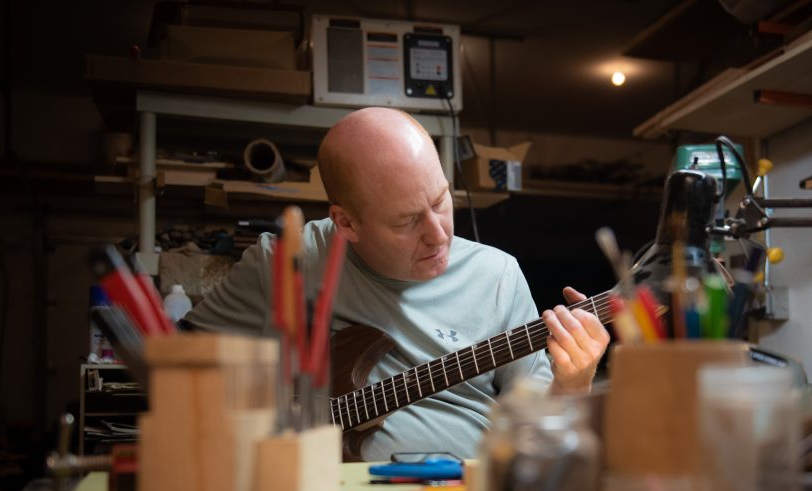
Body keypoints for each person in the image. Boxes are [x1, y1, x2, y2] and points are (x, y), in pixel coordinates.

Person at [184, 107, 609, 461]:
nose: (439, 234)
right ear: (346, 222)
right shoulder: (287, 262)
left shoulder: (497, 276)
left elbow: (536, 439)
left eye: (441, 201)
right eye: (407, 221)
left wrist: (574, 382)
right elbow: (175, 373)